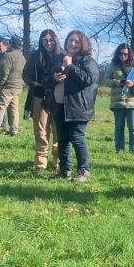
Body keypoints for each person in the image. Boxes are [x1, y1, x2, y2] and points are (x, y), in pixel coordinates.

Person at [42, 30, 98, 182]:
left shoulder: (87, 60)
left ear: (83, 44)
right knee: (62, 139)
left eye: (76, 41)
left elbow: (89, 79)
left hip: (78, 107)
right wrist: (54, 78)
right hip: (59, 105)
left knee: (77, 138)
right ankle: (64, 170)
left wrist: (71, 66)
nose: (72, 43)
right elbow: (46, 79)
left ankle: (83, 171)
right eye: (70, 40)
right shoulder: (58, 59)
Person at [23, 29, 63, 170]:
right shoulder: (35, 55)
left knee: (58, 130)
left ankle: (57, 161)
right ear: (41, 41)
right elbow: (25, 74)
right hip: (39, 96)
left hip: (58, 98)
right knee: (41, 130)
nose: (48, 43)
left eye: (51, 40)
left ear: (55, 40)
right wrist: (34, 84)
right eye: (45, 40)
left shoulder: (62, 55)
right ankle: (41, 162)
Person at [105, 43, 134, 154]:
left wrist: (133, 83)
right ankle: (119, 149)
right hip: (118, 102)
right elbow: (106, 80)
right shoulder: (113, 65)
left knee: (133, 127)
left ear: (129, 54)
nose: (122, 56)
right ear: (117, 54)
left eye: (125, 54)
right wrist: (115, 82)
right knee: (119, 127)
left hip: (133, 101)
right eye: (120, 54)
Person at [0, 35, 25, 136]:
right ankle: (14, 130)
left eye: (8, 44)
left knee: (0, 107)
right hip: (18, 87)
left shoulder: (8, 56)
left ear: (11, 45)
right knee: (14, 109)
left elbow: (4, 72)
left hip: (7, 87)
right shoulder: (22, 57)